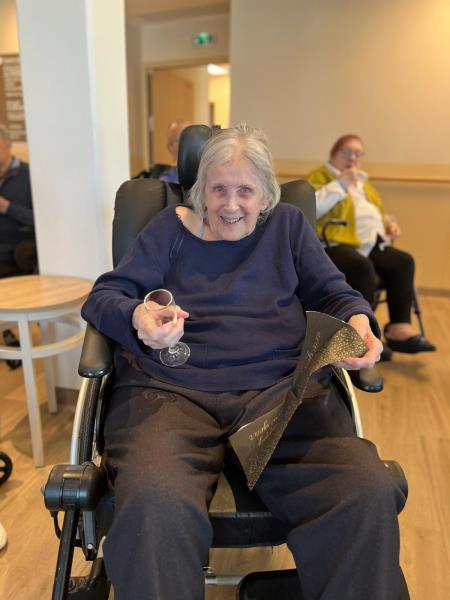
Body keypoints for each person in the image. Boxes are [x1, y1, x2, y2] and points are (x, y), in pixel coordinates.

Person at [81, 124, 408, 599]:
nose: (230, 205)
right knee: (154, 500)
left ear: (267, 194)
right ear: (200, 190)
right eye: (218, 189)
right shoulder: (167, 229)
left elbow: (334, 294)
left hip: (280, 393)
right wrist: (138, 317)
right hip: (170, 391)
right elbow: (105, 295)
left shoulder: (288, 226)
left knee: (363, 490)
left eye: (245, 191)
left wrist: (358, 322)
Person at [308, 134, 435, 355]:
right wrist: (340, 183)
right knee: (362, 266)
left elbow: (377, 211)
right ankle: (364, 336)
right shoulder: (321, 176)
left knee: (403, 262)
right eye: (347, 152)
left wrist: (389, 224)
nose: (353, 158)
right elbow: (313, 207)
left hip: (369, 243)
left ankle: (398, 328)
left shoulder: (363, 182)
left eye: (358, 154)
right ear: (334, 153)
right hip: (334, 244)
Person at [0, 123, 35, 368]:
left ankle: (9, 336)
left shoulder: (28, 175)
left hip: (17, 248)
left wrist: (7, 207)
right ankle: (7, 334)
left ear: (8, 144)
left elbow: (39, 219)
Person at [158, 119, 192, 183]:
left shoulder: (208, 173)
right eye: (183, 138)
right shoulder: (167, 182)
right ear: (171, 147)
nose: (190, 142)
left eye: (193, 137)